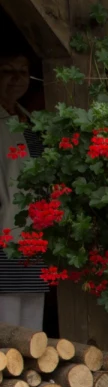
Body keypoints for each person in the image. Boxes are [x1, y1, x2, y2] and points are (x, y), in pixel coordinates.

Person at [0, 47, 47, 330]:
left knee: (32, 332)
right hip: (3, 236)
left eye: (22, 72)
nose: (16, 78)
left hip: (34, 236)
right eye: (7, 71)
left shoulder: (31, 120)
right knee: (5, 331)